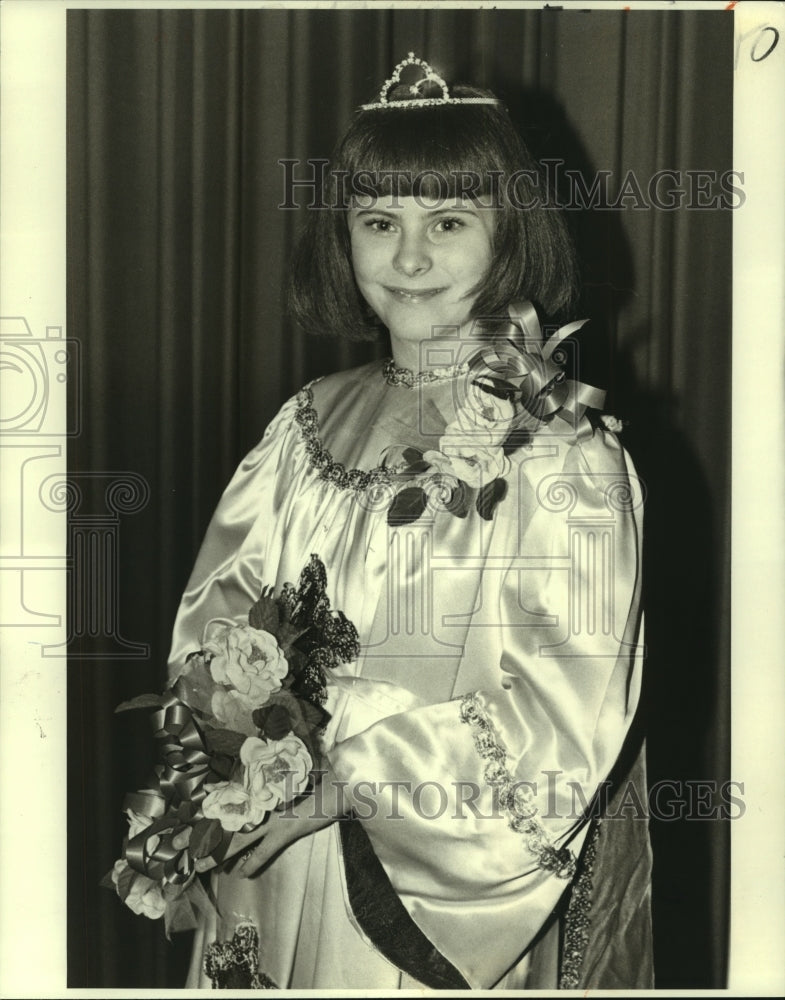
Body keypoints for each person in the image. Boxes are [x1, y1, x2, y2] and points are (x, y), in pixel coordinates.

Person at [167, 54, 653, 990]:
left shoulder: (563, 456)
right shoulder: (306, 421)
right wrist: (230, 750)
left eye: (449, 221)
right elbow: (214, 621)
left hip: (414, 875)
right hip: (265, 858)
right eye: (378, 222)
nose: (410, 257)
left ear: (507, 234)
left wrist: (341, 781)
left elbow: (563, 718)